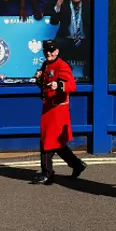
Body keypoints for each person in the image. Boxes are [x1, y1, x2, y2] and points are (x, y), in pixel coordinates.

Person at [32, 39, 87, 185]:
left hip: (58, 109)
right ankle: (77, 165)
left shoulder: (62, 65)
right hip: (48, 107)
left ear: (57, 51)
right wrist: (38, 77)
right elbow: (44, 84)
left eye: (51, 51)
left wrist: (59, 84)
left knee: (47, 141)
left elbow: (72, 85)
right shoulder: (46, 64)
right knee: (57, 143)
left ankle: (47, 174)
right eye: (46, 51)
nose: (48, 53)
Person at [50, 0, 91, 79]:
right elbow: (53, 22)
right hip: (67, 39)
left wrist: (93, 6)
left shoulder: (88, 4)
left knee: (94, 46)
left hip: (83, 40)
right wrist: (58, 4)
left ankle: (88, 75)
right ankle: (62, 74)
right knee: (55, 45)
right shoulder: (63, 4)